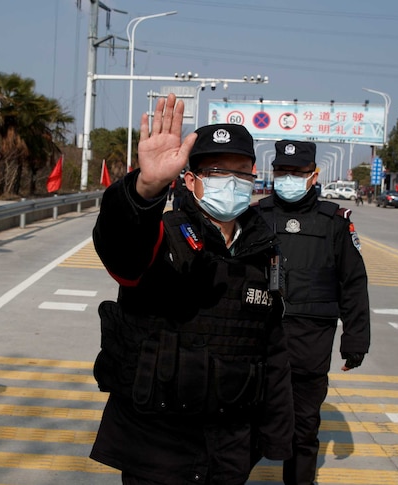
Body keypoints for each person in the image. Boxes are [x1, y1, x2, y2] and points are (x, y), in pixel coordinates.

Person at [90, 94, 294, 485]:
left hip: (230, 446)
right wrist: (144, 189)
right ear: (190, 179)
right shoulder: (165, 233)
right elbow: (121, 249)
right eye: (217, 172)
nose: (231, 182)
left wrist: (277, 436)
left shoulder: (265, 251)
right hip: (156, 444)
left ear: (254, 178)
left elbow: (273, 348)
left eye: (241, 172)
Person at [256, 140, 371, 485]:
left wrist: (355, 340)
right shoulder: (256, 217)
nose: (288, 177)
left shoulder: (334, 222)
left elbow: (353, 283)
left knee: (303, 428)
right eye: (282, 171)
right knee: (244, 422)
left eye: (297, 172)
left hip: (310, 342)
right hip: (257, 340)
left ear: (313, 175)